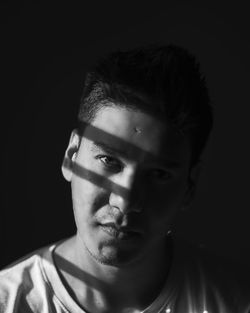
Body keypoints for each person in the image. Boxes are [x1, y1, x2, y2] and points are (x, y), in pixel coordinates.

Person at [0, 45, 249, 313]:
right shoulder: (9, 302)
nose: (126, 201)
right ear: (72, 156)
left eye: (159, 174)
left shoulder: (235, 300)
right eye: (109, 161)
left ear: (189, 185)